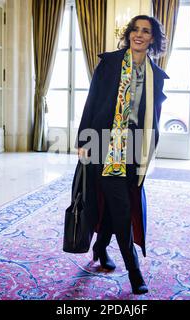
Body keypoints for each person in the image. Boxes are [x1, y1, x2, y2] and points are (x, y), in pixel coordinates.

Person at [74, 15, 168, 295]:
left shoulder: (156, 76)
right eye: (135, 30)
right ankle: (134, 271)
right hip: (103, 143)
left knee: (118, 202)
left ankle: (101, 246)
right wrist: (83, 138)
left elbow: (153, 117)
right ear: (128, 34)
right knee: (121, 207)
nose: (139, 35)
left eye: (146, 31)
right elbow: (92, 100)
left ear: (152, 39)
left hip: (134, 148)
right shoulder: (110, 63)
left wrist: (149, 148)